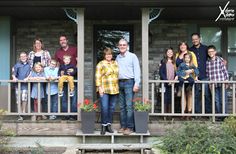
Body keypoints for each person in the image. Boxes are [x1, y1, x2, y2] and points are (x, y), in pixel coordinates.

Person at [116, 38, 141, 135]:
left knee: (129, 106)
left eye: (124, 45)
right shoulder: (118, 57)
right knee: (122, 106)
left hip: (129, 82)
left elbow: (137, 70)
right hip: (120, 83)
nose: (122, 46)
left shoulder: (132, 56)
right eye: (120, 45)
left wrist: (137, 83)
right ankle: (123, 126)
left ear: (127, 46)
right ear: (118, 46)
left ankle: (130, 127)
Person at [95, 48, 119, 135]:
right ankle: (103, 125)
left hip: (114, 89)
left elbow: (117, 75)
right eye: (107, 54)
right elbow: (97, 77)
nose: (109, 55)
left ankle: (109, 125)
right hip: (104, 88)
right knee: (104, 108)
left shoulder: (115, 63)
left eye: (110, 54)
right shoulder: (100, 64)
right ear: (104, 55)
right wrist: (99, 87)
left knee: (111, 108)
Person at [54, 35, 77, 118]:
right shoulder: (58, 52)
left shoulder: (74, 49)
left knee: (73, 96)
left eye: (64, 40)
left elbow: (78, 61)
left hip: (73, 76)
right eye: (61, 40)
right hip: (63, 77)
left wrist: (74, 70)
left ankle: (73, 115)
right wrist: (59, 73)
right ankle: (65, 115)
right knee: (64, 97)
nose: (62, 41)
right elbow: (57, 65)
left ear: (67, 40)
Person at [189, 33, 211, 114]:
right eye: (193, 39)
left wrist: (222, 59)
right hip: (194, 76)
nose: (195, 40)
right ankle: (197, 114)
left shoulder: (205, 48)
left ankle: (208, 113)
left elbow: (212, 56)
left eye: (196, 39)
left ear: (199, 39)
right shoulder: (190, 50)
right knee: (196, 96)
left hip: (205, 75)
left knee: (207, 95)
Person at [176, 41, 198, 115]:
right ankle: (183, 112)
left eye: (184, 45)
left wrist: (191, 71)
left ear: (187, 46)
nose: (182, 46)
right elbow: (175, 66)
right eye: (181, 45)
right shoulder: (177, 54)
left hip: (190, 77)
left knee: (189, 94)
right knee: (182, 94)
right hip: (181, 76)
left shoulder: (191, 53)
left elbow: (195, 66)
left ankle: (189, 112)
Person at [206, 45, 228, 114]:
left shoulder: (220, 59)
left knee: (223, 100)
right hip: (213, 84)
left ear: (215, 52)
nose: (210, 53)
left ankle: (224, 115)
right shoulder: (207, 62)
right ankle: (219, 115)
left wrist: (226, 80)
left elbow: (225, 71)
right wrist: (209, 83)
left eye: (212, 51)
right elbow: (207, 74)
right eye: (209, 52)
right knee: (216, 100)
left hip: (222, 82)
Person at [12, 52, 31, 121]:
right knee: (18, 100)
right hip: (18, 85)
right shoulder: (17, 65)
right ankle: (20, 115)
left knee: (24, 99)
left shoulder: (29, 66)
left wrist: (27, 78)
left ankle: (23, 112)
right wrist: (14, 78)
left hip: (25, 85)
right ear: (20, 58)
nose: (23, 57)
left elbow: (30, 73)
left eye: (24, 56)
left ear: (26, 57)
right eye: (21, 56)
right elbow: (13, 74)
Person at [159, 47, 176, 113]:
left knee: (171, 99)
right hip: (165, 84)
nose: (170, 53)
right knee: (164, 98)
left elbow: (176, 72)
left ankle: (170, 114)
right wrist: (166, 80)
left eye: (171, 52)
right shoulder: (163, 61)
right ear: (166, 53)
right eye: (168, 52)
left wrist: (175, 78)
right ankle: (164, 114)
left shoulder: (174, 62)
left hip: (172, 84)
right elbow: (161, 72)